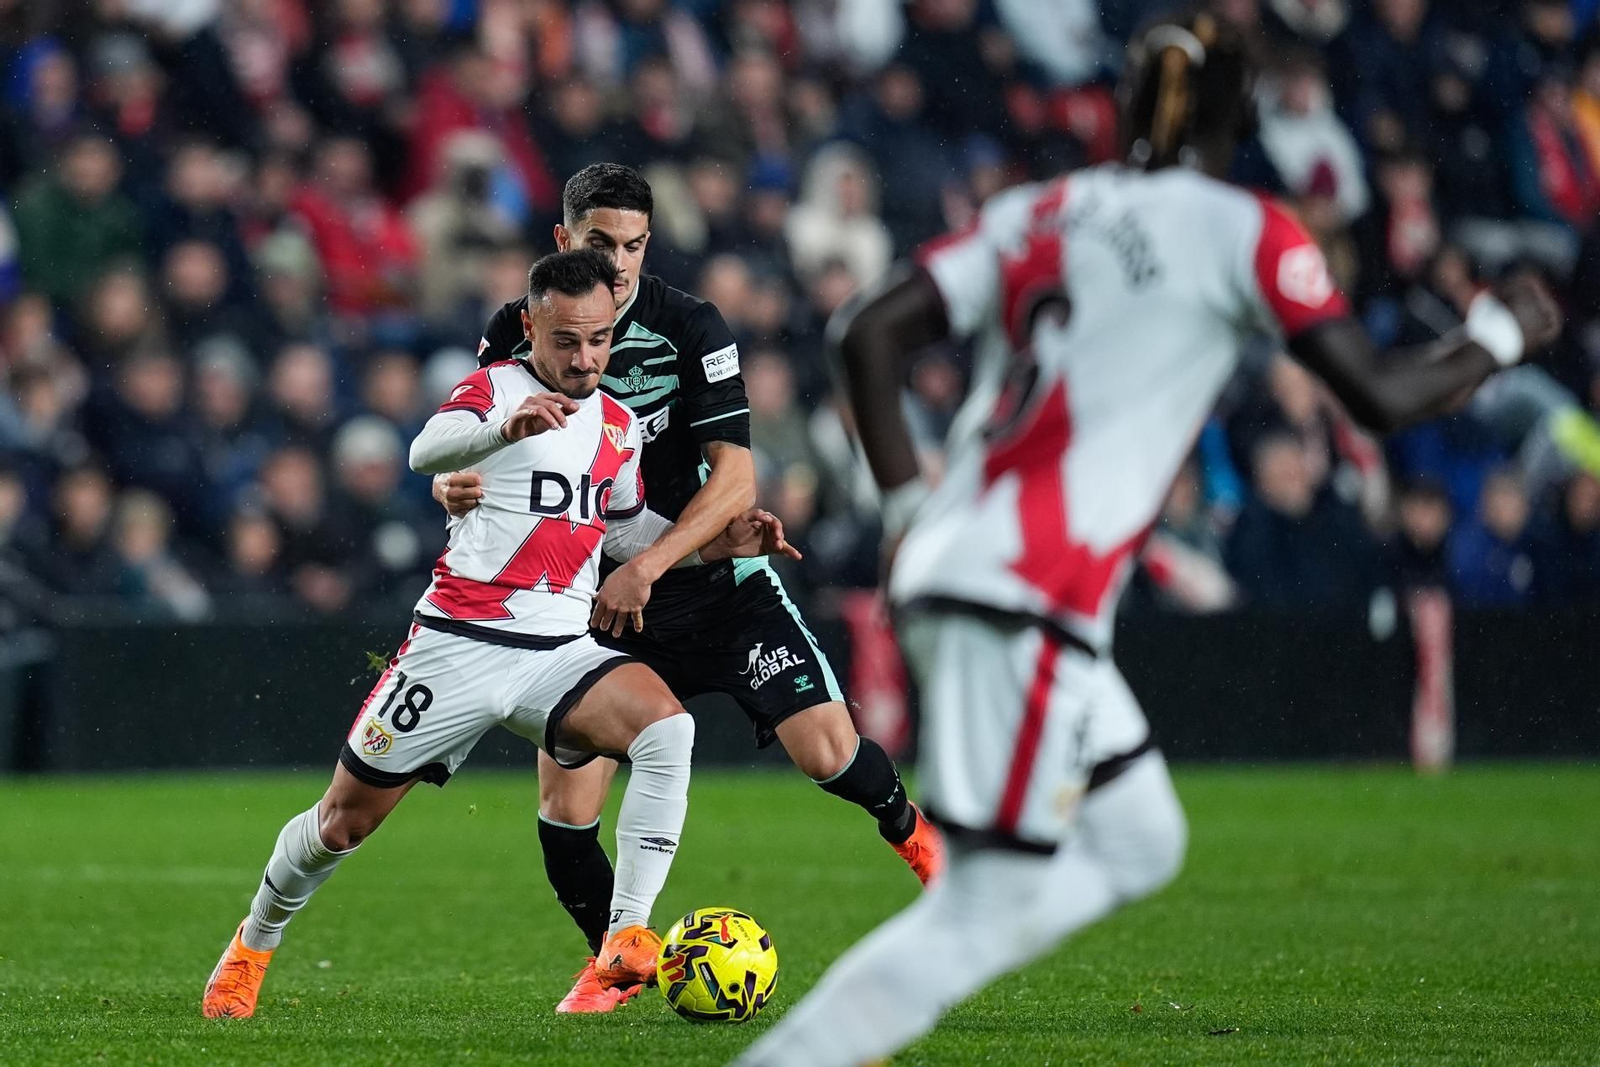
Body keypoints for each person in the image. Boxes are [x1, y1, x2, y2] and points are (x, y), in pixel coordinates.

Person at [737, 10, 1562, 1065]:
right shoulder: (1243, 227)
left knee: (1142, 837)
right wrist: (1500, 333)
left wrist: (907, 510)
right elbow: (1384, 393)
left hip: (983, 572)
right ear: (1241, 117)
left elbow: (866, 330)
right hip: (1023, 592)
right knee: (975, 914)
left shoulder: (1043, 207)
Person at [201, 249, 794, 1020]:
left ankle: (626, 934)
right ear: (530, 325)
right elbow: (424, 451)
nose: (584, 359)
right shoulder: (492, 388)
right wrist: (495, 432)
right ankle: (254, 940)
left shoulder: (617, 425)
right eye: (566, 342)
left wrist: (719, 542)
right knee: (342, 822)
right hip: (458, 644)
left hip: (559, 649)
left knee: (667, 727)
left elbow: (617, 528)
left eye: (599, 341)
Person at [434, 163, 943, 1014]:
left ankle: (917, 838)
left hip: (708, 583)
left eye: (635, 244)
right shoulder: (518, 327)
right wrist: (457, 486)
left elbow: (738, 480)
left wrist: (652, 562)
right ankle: (615, 963)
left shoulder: (690, 325)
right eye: (603, 243)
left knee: (828, 751)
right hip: (591, 604)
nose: (622, 262)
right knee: (566, 814)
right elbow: (477, 440)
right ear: (564, 242)